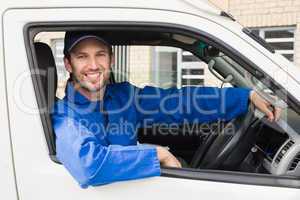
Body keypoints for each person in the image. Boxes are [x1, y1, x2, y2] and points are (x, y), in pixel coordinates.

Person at [51, 31, 281, 188]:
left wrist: (245, 96)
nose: (93, 65)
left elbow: (179, 102)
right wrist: (157, 154)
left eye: (100, 54)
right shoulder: (64, 113)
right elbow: (90, 165)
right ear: (69, 64)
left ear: (111, 59)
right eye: (82, 57)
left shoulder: (124, 96)